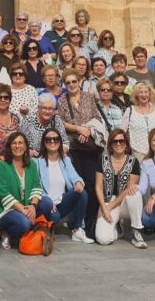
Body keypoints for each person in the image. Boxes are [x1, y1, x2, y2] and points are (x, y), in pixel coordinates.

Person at [57, 71, 102, 237]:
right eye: (68, 82)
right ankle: (78, 221)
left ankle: (91, 221)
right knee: (77, 184)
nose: (71, 85)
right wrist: (78, 129)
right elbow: (60, 122)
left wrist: (87, 130)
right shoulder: (62, 100)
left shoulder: (88, 97)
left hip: (90, 147)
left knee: (91, 183)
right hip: (74, 147)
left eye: (74, 81)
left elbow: (97, 118)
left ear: (79, 82)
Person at [0, 132, 49, 250]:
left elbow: (37, 186)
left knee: (47, 203)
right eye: (14, 143)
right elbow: (4, 194)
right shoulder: (2, 166)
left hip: (25, 205)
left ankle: (24, 234)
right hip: (3, 208)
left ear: (26, 146)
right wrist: (24, 210)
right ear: (9, 147)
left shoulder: (31, 164)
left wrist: (33, 206)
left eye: (21, 143)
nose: (17, 146)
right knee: (24, 223)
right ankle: (6, 233)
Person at [34, 130, 93, 243]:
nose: (52, 141)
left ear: (60, 142)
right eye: (48, 139)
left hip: (61, 202)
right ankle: (43, 227)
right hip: (46, 203)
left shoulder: (66, 160)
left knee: (82, 192)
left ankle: (77, 230)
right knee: (54, 217)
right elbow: (35, 186)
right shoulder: (36, 162)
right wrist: (48, 201)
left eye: (56, 139)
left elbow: (75, 176)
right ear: (44, 143)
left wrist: (78, 182)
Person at [94, 129, 146, 248]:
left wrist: (110, 207)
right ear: (110, 144)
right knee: (103, 239)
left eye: (121, 141)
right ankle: (116, 226)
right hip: (107, 201)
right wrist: (104, 207)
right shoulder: (102, 159)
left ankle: (136, 231)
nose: (118, 144)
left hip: (124, 202)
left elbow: (129, 188)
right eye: (115, 141)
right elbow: (98, 187)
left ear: (126, 144)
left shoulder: (133, 162)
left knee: (134, 193)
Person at [120, 82, 155, 161]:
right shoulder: (130, 110)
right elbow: (121, 132)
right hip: (137, 154)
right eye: (141, 92)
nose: (143, 95)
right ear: (136, 95)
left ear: (150, 94)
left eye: (146, 92)